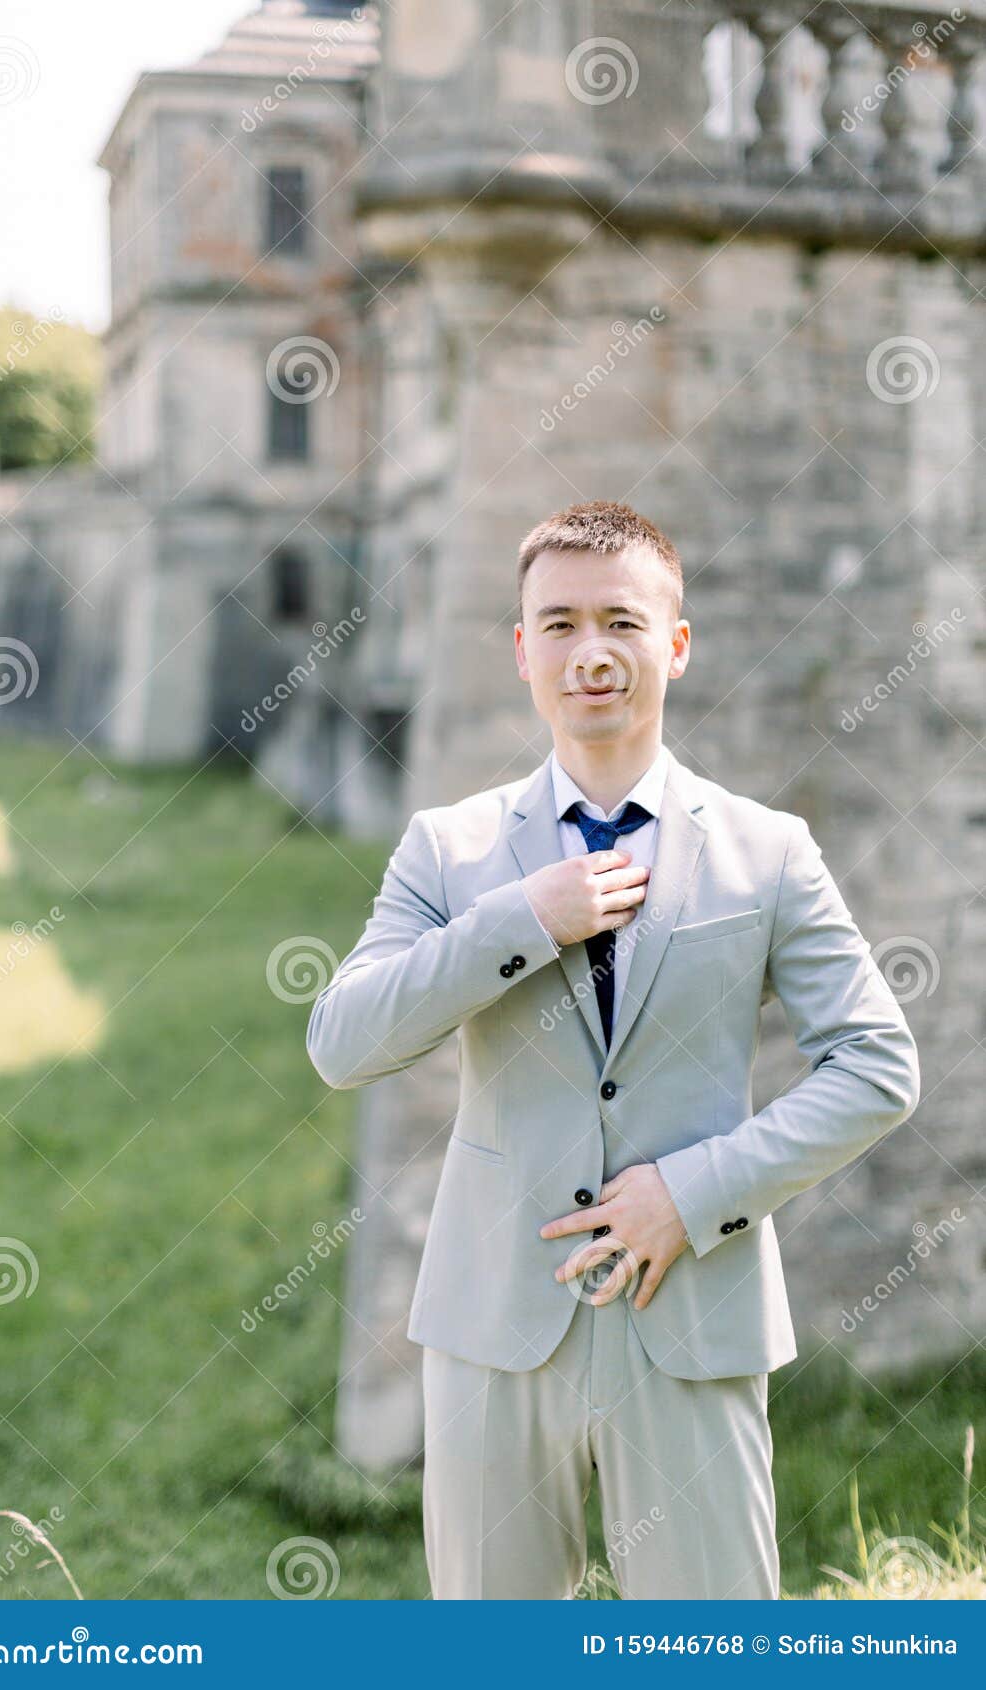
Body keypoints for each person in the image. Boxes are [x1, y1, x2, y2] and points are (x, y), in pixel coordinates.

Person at [306, 499, 920, 1600]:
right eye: (559, 624)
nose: (591, 653)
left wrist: (690, 1195)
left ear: (673, 645)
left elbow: (877, 1065)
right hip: (494, 1324)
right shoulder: (447, 849)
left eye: (621, 623)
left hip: (688, 1312)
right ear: (521, 651)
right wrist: (518, 920)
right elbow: (343, 1043)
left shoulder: (766, 852)